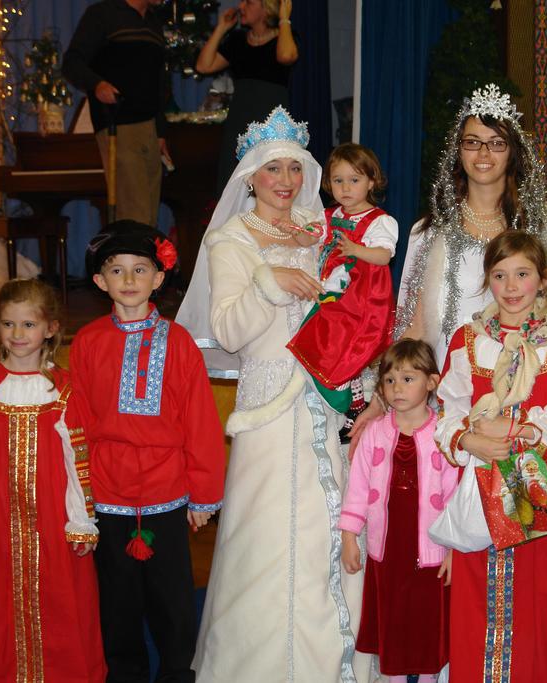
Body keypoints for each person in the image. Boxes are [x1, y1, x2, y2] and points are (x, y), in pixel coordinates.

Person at [175, 106, 372, 681]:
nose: (285, 181)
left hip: (328, 400)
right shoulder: (232, 239)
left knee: (334, 524)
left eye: (294, 168)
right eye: (272, 169)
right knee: (265, 533)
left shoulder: (324, 229)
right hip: (267, 410)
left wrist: (362, 389)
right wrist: (268, 282)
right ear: (250, 177)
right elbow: (229, 331)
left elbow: (355, 309)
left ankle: (337, 663)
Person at [350, 82, 547, 448]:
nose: (483, 153)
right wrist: (380, 399)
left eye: (496, 143)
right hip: (454, 407)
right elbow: (414, 328)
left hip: (531, 409)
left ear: (513, 152)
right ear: (458, 150)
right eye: (472, 142)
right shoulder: (430, 234)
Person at [71, 222, 225, 682]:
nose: (129, 279)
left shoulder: (179, 343)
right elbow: (77, 422)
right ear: (100, 281)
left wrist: (203, 495)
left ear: (158, 277)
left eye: (140, 269)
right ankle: (124, 673)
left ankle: (177, 672)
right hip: (108, 490)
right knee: (116, 601)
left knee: (171, 600)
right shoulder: (88, 342)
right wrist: (78, 493)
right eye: (116, 270)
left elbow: (200, 423)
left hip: (166, 490)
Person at [0, 278, 105, 681]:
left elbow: (77, 460)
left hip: (53, 521)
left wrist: (81, 520)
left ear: (50, 328)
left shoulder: (64, 389)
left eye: (28, 324)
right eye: (8, 324)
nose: (17, 334)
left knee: (58, 600)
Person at [435, 231, 547, 682]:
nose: (512, 286)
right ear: (487, 280)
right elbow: (446, 411)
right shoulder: (467, 339)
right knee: (478, 595)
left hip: (534, 481)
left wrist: (517, 429)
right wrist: (469, 441)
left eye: (522, 274)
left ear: (543, 279)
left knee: (538, 599)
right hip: (481, 481)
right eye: (500, 276)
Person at [338, 338, 456, 683]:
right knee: (393, 620)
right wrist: (349, 536)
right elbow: (357, 490)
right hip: (388, 551)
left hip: (431, 551)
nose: (397, 388)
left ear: (431, 382)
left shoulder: (443, 434)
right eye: (389, 380)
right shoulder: (375, 434)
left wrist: (453, 550)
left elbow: (453, 495)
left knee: (427, 624)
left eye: (407, 379)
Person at [287, 142, 397, 414]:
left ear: (371, 182)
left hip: (360, 296)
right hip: (332, 289)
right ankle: (340, 391)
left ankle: (350, 398)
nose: (346, 188)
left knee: (347, 341)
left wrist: (356, 250)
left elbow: (383, 256)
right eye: (338, 181)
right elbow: (308, 238)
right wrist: (295, 231)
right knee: (324, 337)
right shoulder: (329, 216)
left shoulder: (379, 220)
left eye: (354, 180)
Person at [63, 0, 170, 228]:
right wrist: (97, 84)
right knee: (134, 213)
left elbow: (159, 83)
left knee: (149, 215)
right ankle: (129, 251)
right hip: (118, 123)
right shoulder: (103, 13)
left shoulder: (154, 23)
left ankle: (140, 252)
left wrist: (160, 131)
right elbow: (72, 62)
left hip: (149, 126)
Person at [197, 0, 298, 193]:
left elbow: (286, 56)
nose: (241, 7)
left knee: (271, 180)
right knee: (233, 179)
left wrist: (284, 19)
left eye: (249, 2)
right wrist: (221, 28)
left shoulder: (285, 37)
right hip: (240, 120)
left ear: (266, 8)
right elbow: (203, 66)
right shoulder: (237, 40)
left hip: (271, 123)